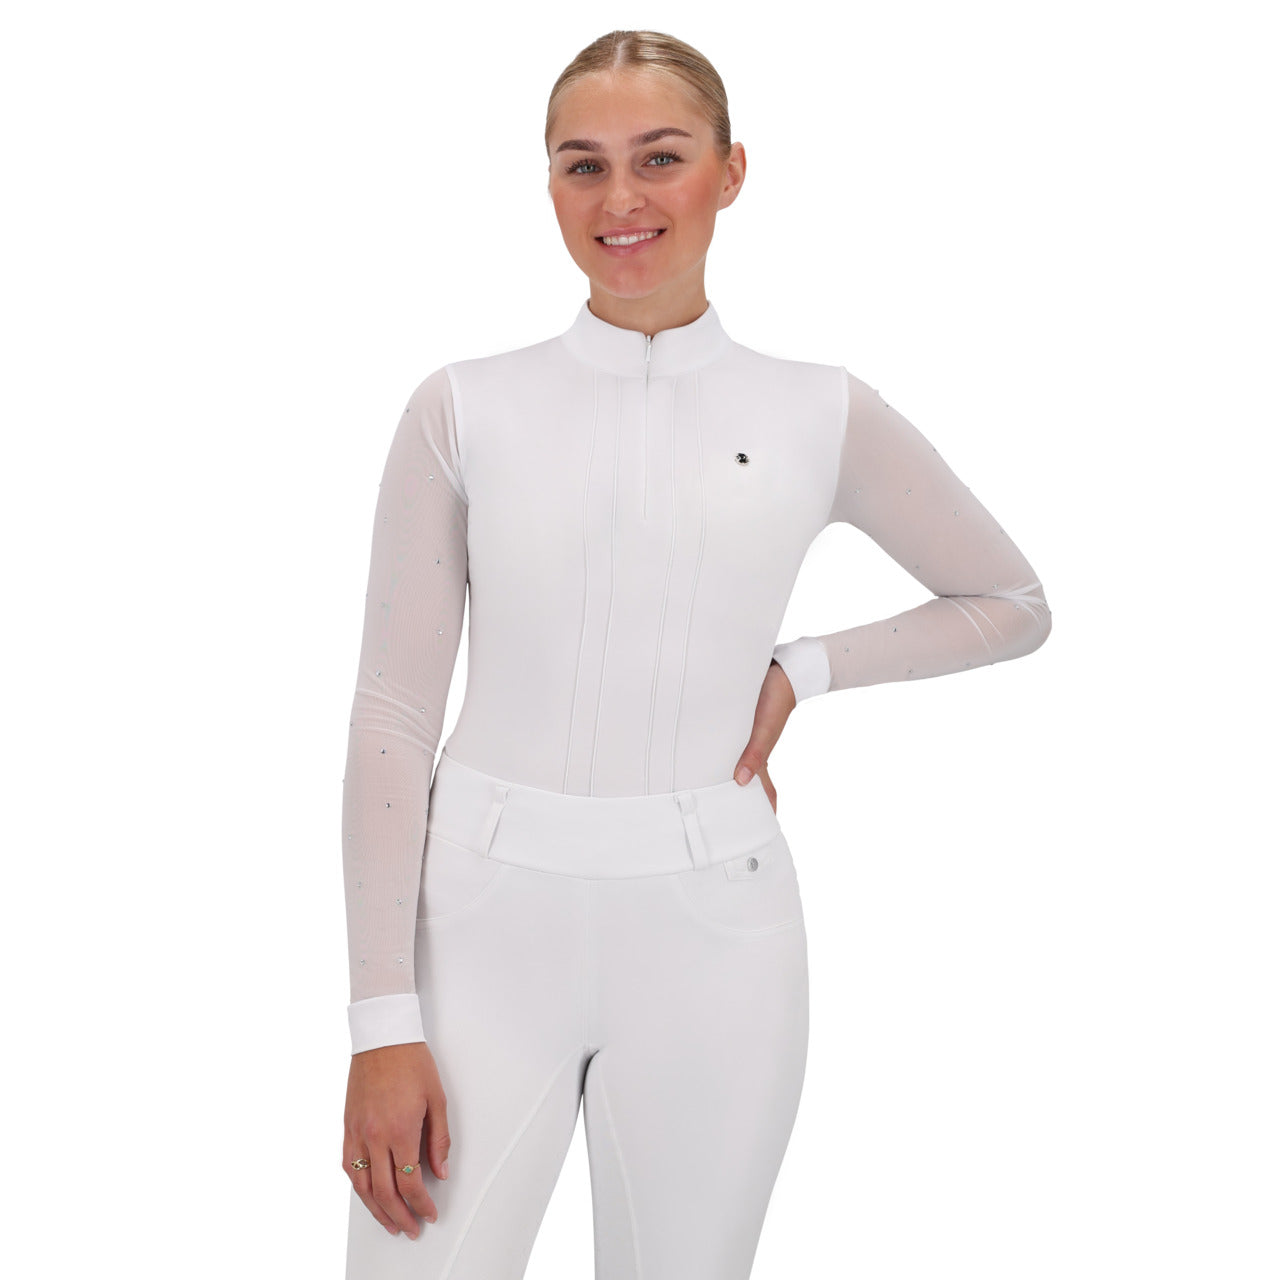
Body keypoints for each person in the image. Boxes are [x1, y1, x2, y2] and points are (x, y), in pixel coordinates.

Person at [339, 28, 1051, 1279]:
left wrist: (802, 669)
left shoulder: (816, 409)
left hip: (715, 934)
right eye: (582, 164)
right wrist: (380, 1019)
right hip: (479, 926)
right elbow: (393, 715)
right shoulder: (463, 406)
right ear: (548, 184)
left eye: (659, 157)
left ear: (730, 171)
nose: (620, 198)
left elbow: (1007, 600)